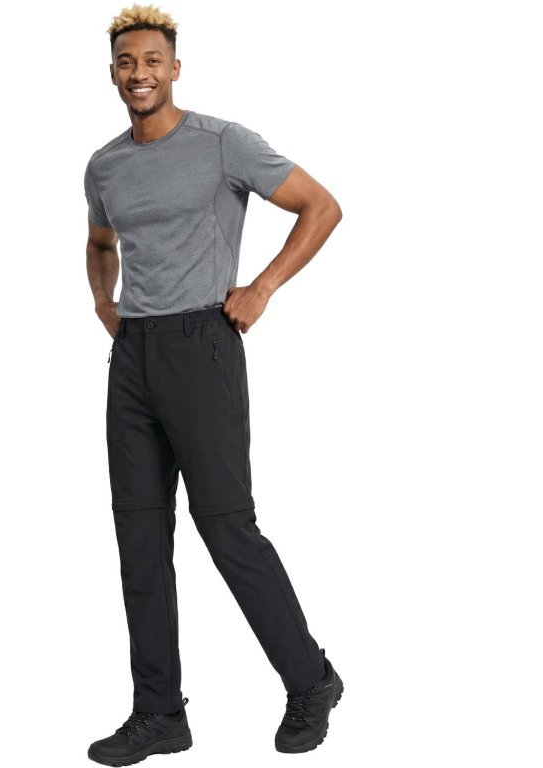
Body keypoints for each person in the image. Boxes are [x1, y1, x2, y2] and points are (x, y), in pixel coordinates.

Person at [84, 5, 344, 765]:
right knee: (138, 537)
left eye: (151, 61)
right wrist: (104, 303)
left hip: (203, 345)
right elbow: (99, 242)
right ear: (112, 74)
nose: (139, 73)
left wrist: (261, 288)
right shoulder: (104, 165)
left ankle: (311, 680)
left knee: (227, 526)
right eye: (126, 62)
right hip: (133, 357)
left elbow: (321, 207)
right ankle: (159, 713)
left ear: (174, 68)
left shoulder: (222, 142)